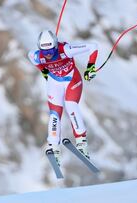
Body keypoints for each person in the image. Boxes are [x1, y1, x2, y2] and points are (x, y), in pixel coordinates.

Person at [28, 30, 98, 165]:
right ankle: (54, 147)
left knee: (71, 106)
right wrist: (43, 70)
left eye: (50, 51)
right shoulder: (38, 56)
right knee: (54, 115)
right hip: (54, 82)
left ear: (55, 45)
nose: (47, 55)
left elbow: (92, 46)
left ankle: (81, 143)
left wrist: (90, 67)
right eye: (44, 51)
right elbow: (30, 55)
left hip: (72, 79)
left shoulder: (65, 50)